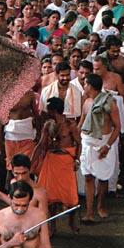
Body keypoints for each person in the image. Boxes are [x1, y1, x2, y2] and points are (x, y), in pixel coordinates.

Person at [79, 73, 121, 222]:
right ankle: (89, 212)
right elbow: (81, 124)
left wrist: (108, 146)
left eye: (85, 84)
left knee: (103, 178)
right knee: (88, 177)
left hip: (103, 143)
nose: (83, 86)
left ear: (90, 86)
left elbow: (117, 127)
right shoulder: (86, 102)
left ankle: (100, 206)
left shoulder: (110, 102)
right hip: (87, 143)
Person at [37, 97, 80, 232]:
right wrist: (46, 133)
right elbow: (42, 145)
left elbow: (79, 143)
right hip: (51, 161)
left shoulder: (70, 125)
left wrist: (77, 160)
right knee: (50, 197)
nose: (46, 113)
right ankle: (52, 226)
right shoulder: (48, 125)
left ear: (54, 111)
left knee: (71, 196)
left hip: (66, 162)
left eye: (49, 110)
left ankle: (72, 223)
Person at [0, 90, 39, 174]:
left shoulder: (30, 94)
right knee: (11, 167)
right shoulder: (5, 95)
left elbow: (36, 115)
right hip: (11, 137)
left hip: (28, 136)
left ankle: (26, 186)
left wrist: (39, 134)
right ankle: (11, 186)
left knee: (27, 166)